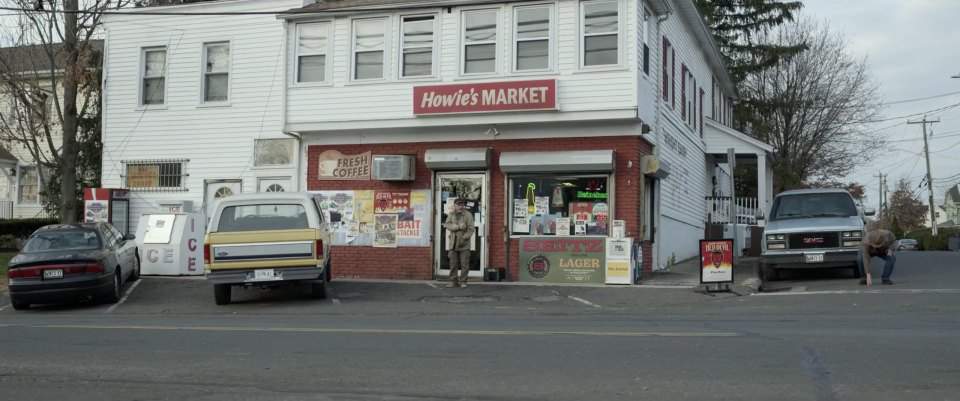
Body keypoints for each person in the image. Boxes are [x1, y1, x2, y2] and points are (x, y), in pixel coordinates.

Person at [444, 198, 475, 288]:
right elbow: (447, 224)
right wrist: (457, 227)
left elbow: (471, 229)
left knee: (464, 264)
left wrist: (464, 237)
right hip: (453, 243)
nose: (461, 206)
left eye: (462, 205)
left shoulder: (468, 215)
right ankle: (453, 281)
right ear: (455, 205)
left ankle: (463, 281)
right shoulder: (451, 214)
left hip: (464, 244)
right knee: (453, 264)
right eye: (459, 204)